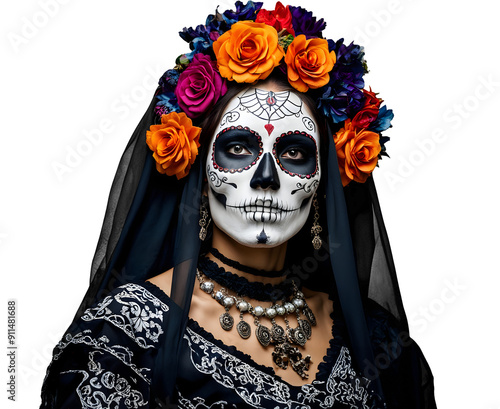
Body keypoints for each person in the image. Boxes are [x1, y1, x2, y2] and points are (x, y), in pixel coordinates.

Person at [40, 2, 436, 408]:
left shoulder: (376, 343)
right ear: (197, 166)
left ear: (324, 181)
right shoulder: (123, 340)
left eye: (295, 153)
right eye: (237, 147)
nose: (266, 177)